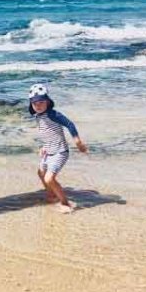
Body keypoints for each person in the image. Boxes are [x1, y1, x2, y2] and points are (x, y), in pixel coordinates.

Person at [28, 83, 88, 213]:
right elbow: (48, 132)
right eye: (35, 103)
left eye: (41, 102)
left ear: (48, 102)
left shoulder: (52, 114)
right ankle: (51, 195)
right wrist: (44, 146)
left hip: (60, 152)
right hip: (48, 151)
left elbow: (69, 124)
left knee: (49, 178)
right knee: (40, 173)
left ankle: (65, 203)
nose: (38, 105)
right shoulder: (38, 116)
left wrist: (77, 141)